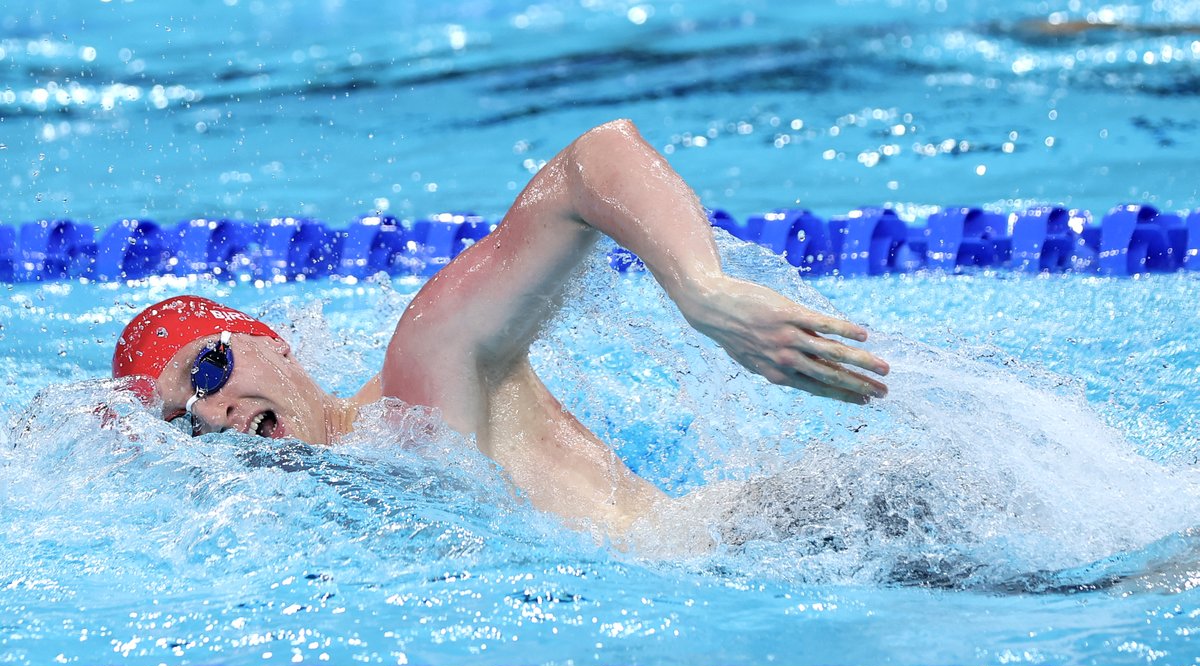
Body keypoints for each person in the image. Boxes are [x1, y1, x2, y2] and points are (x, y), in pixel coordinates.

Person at [112, 119, 890, 543]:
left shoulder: (417, 381)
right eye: (184, 426)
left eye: (206, 371)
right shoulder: (353, 495)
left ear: (270, 343)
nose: (211, 415)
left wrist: (702, 288)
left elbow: (592, 162)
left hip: (817, 533)